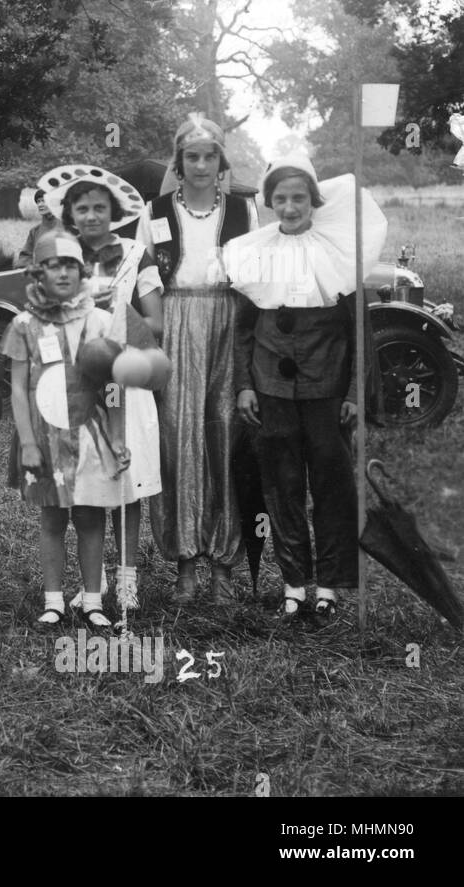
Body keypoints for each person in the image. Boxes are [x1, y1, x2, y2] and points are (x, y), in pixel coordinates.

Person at [226, 155, 385, 623]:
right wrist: (243, 386)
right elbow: (243, 331)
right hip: (272, 391)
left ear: (314, 201)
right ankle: (294, 584)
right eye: (281, 198)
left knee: (333, 486)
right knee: (282, 485)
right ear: (270, 203)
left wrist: (355, 392)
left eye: (299, 197)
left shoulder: (339, 254)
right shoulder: (253, 253)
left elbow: (360, 334)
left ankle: (330, 587)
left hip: (327, 392)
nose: (290, 207)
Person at [136, 114, 256, 605]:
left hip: (229, 321)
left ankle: (224, 565)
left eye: (210, 156)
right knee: (178, 434)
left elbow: (257, 276)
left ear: (221, 161)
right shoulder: (157, 210)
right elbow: (143, 279)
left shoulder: (244, 212)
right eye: (192, 156)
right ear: (179, 162)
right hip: (176, 317)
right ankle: (185, 562)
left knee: (226, 435)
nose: (202, 164)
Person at [39, 164, 161, 610]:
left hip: (124, 373)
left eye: (99, 208)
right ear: (69, 213)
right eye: (82, 208)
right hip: (76, 385)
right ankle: (96, 583)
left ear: (114, 212)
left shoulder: (135, 254)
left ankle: (127, 579)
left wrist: (114, 314)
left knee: (126, 477)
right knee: (88, 481)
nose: (91, 216)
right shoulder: (60, 256)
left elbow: (156, 322)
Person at [1, 232, 128, 630]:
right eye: (52, 265)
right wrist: (26, 442)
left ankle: (93, 600)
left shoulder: (100, 320)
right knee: (53, 519)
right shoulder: (24, 324)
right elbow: (18, 387)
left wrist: (118, 435)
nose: (62, 273)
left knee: (91, 518)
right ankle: (53, 600)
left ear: (83, 271)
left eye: (70, 265)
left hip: (89, 434)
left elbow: (113, 386)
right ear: (37, 273)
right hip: (45, 435)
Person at [15, 188, 62, 269]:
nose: (40, 205)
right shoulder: (34, 231)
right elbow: (25, 257)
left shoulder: (67, 228)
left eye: (43, 201)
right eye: (38, 202)